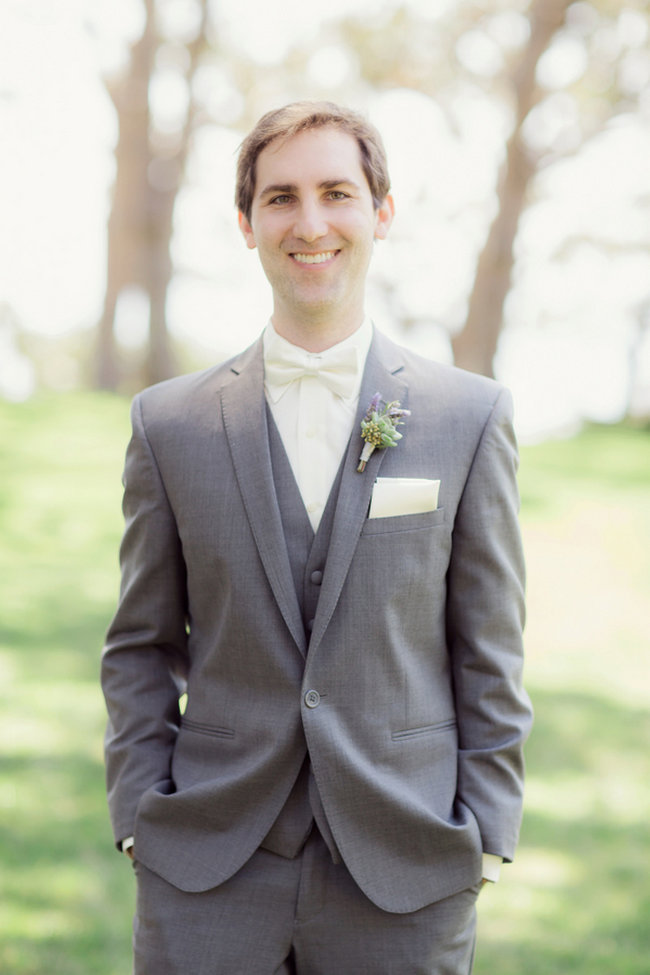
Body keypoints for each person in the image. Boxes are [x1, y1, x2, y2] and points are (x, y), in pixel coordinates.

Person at [101, 101, 532, 975]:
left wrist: (482, 833)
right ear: (246, 224)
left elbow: (490, 647)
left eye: (337, 192)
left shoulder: (469, 416)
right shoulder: (169, 425)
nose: (310, 223)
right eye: (280, 198)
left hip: (404, 871)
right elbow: (141, 644)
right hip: (207, 869)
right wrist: (140, 818)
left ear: (381, 212)